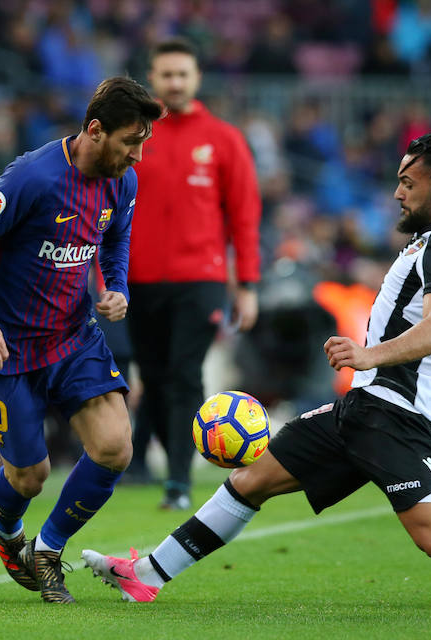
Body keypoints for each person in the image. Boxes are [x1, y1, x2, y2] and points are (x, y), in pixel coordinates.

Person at [82, 132, 431, 607]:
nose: (397, 191)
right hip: (364, 408)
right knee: (250, 481)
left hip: (395, 416)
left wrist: (368, 355)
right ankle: (149, 575)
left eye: (409, 182)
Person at [0, 76, 162, 604]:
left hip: (73, 338)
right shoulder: (34, 176)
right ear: (95, 129)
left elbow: (116, 238)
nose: (137, 155)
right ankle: (6, 529)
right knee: (29, 476)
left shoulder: (123, 183)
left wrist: (115, 288)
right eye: (130, 141)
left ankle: (49, 550)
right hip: (8, 347)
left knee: (115, 446)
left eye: (143, 143)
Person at [126, 37, 261, 510]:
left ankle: (179, 482)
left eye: (183, 74)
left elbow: (244, 214)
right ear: (153, 78)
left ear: (197, 78)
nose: (175, 83)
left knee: (184, 375)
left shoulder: (224, 139)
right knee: (156, 379)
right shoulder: (135, 135)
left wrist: (246, 284)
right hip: (137, 281)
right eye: (166, 75)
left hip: (201, 281)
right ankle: (174, 473)